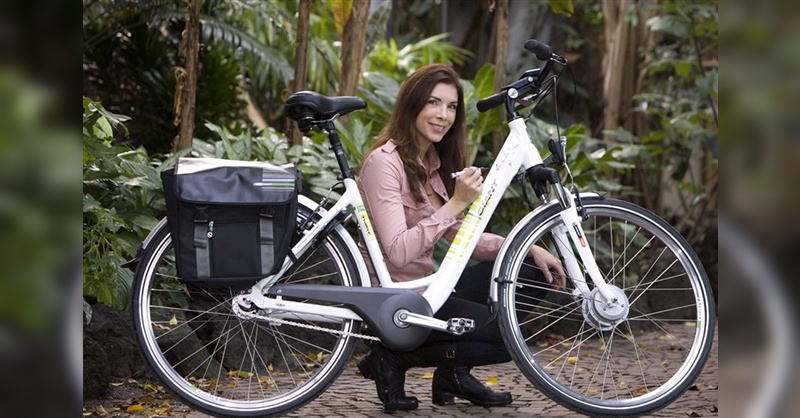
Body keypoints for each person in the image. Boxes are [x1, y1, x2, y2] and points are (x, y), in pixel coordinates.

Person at [356, 63, 566, 411]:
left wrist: (526, 248)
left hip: (431, 288)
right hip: (398, 301)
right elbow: (397, 253)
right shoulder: (384, 163)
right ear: (413, 105)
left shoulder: (432, 165)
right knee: (505, 338)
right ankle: (391, 357)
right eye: (434, 103)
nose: (443, 115)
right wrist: (455, 203)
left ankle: (452, 374)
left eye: (451, 107)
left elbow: (463, 237)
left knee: (528, 273)